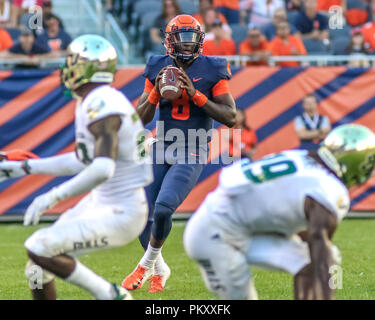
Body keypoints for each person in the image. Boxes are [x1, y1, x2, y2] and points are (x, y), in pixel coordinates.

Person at [0, 34, 153, 300]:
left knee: (38, 246)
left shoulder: (102, 102)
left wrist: (53, 196)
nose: (67, 67)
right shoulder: (94, 100)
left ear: (88, 67)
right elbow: (82, 160)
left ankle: (111, 294)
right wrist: (23, 168)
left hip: (122, 210)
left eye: (73, 61)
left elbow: (103, 168)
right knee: (37, 269)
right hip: (105, 202)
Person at [184, 124, 375, 300]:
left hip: (238, 225)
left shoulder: (303, 156)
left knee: (313, 259)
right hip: (214, 235)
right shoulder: (329, 189)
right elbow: (319, 245)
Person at [122, 14, 236, 293]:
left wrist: (196, 94)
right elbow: (139, 117)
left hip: (193, 148)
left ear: (199, 40)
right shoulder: (158, 67)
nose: (186, 45)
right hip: (161, 147)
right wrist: (154, 94)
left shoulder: (212, 68)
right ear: (169, 41)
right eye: (181, 39)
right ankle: (160, 270)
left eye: (191, 39)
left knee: (163, 209)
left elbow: (231, 116)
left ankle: (145, 266)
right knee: (141, 215)